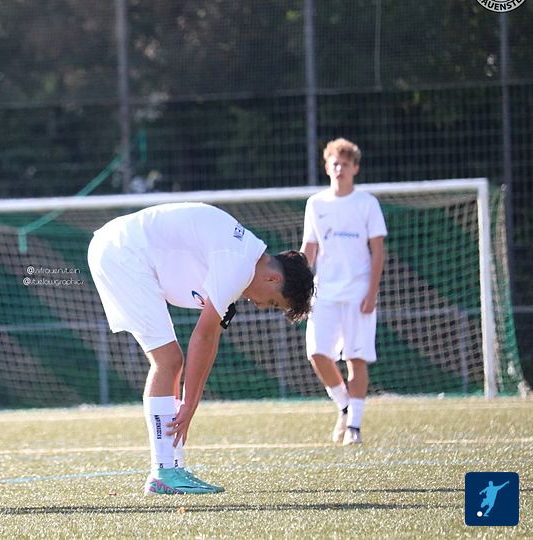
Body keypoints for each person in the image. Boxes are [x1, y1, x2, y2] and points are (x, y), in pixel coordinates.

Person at [88, 202, 314, 494]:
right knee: (168, 361)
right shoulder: (238, 264)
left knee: (171, 362)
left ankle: (171, 468)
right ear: (274, 278)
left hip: (122, 250)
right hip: (121, 252)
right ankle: (163, 474)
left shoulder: (244, 257)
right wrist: (189, 404)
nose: (260, 305)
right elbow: (203, 336)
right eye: (272, 302)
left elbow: (212, 336)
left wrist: (190, 402)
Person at [300, 138, 386, 446]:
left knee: (355, 358)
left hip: (358, 292)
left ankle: (354, 427)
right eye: (335, 164)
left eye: (345, 164)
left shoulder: (367, 203)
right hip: (324, 293)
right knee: (316, 353)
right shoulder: (316, 203)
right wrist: (299, 286)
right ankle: (345, 405)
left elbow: (378, 251)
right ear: (327, 167)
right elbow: (309, 249)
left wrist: (371, 292)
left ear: (355, 169)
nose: (339, 169)